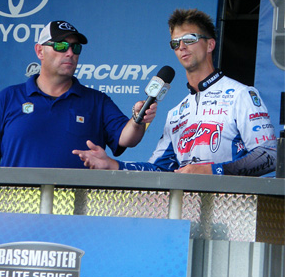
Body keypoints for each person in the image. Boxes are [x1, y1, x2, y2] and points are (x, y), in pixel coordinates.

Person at [73, 9, 277, 176]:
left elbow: (270, 154)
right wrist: (114, 165)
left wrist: (213, 171)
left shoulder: (241, 95)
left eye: (189, 39)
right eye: (175, 43)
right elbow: (159, 170)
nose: (181, 47)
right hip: (186, 213)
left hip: (232, 208)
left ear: (210, 44)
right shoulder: (176, 113)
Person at [0, 20, 156, 168]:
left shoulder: (96, 101)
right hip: (17, 209)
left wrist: (138, 118)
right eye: (61, 46)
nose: (70, 53)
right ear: (39, 51)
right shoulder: (9, 98)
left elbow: (127, 138)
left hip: (77, 211)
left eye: (75, 48)